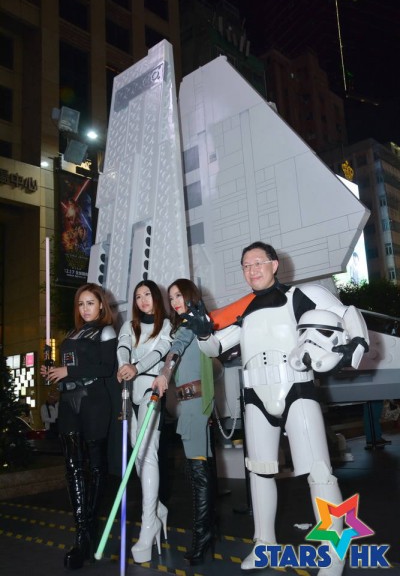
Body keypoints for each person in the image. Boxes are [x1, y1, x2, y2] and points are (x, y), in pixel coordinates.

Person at [181, 241, 369, 575]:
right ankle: (264, 544)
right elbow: (215, 348)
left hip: (297, 388)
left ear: (274, 264)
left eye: (258, 262)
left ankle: (333, 551)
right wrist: (204, 333)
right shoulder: (246, 311)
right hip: (256, 395)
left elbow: (347, 314)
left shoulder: (301, 296)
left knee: (319, 471)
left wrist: (354, 346)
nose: (252, 270)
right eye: (246, 265)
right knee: (259, 472)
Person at [40, 282, 117, 570]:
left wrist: (68, 370)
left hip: (94, 401)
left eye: (90, 303)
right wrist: (53, 372)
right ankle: (83, 533)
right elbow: (68, 368)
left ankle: (87, 533)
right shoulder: (72, 334)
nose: (85, 308)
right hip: (68, 401)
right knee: (72, 466)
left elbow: (106, 368)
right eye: (81, 304)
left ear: (101, 305)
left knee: (95, 466)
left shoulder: (105, 331)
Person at [152, 278, 216, 566]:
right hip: (192, 404)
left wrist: (165, 373)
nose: (175, 301)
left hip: (194, 405)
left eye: (179, 295)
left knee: (199, 473)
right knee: (200, 472)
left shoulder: (192, 323)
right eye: (172, 297)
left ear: (190, 295)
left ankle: (202, 536)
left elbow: (177, 348)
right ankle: (206, 532)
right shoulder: (194, 324)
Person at [116, 280, 172, 564]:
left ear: (156, 297)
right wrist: (124, 366)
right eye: (137, 296)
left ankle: (148, 523)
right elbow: (123, 347)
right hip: (131, 394)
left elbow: (160, 352)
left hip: (153, 392)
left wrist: (135, 367)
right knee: (138, 457)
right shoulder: (130, 325)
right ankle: (158, 509)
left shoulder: (167, 325)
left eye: (147, 294)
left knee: (148, 454)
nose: (142, 300)